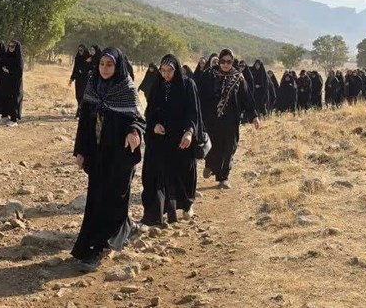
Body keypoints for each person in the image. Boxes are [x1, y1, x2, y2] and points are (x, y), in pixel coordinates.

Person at [72, 47, 145, 269]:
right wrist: (81, 151)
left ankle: (103, 245)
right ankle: (99, 240)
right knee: (96, 198)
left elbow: (138, 119)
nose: (105, 68)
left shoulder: (127, 88)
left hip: (119, 156)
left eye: (109, 64)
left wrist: (134, 132)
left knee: (115, 197)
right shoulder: (92, 86)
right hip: (97, 154)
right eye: (102, 64)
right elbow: (84, 121)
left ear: (118, 66)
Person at [141, 54, 200, 226]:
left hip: (181, 137)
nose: (166, 74)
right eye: (163, 70)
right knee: (157, 174)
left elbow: (193, 111)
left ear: (177, 69)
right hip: (160, 138)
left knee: (182, 173)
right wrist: (154, 126)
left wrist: (189, 132)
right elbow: (150, 112)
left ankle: (186, 205)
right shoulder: (157, 85)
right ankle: (154, 215)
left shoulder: (188, 85)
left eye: (170, 71)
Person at [198, 48, 260, 189]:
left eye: (229, 61)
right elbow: (200, 96)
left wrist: (254, 116)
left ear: (233, 62)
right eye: (223, 61)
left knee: (229, 148)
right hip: (212, 120)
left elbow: (247, 98)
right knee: (214, 147)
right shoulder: (209, 75)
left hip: (231, 121)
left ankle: (223, 177)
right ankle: (210, 164)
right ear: (219, 61)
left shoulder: (239, 77)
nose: (226, 64)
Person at [3, 40, 24, 126]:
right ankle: (6, 117)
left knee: (15, 100)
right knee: (7, 99)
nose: (10, 48)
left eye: (12, 46)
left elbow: (19, 72)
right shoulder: (8, 56)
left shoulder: (19, 58)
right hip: (7, 82)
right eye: (9, 46)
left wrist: (9, 71)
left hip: (15, 83)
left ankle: (14, 120)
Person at [69, 44, 92, 118]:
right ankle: (80, 111)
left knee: (83, 96)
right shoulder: (77, 57)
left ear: (84, 50)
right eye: (79, 50)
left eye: (81, 50)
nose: (80, 52)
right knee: (78, 96)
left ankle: (79, 112)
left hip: (86, 80)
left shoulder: (89, 58)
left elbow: (92, 67)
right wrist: (71, 79)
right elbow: (75, 68)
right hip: (78, 80)